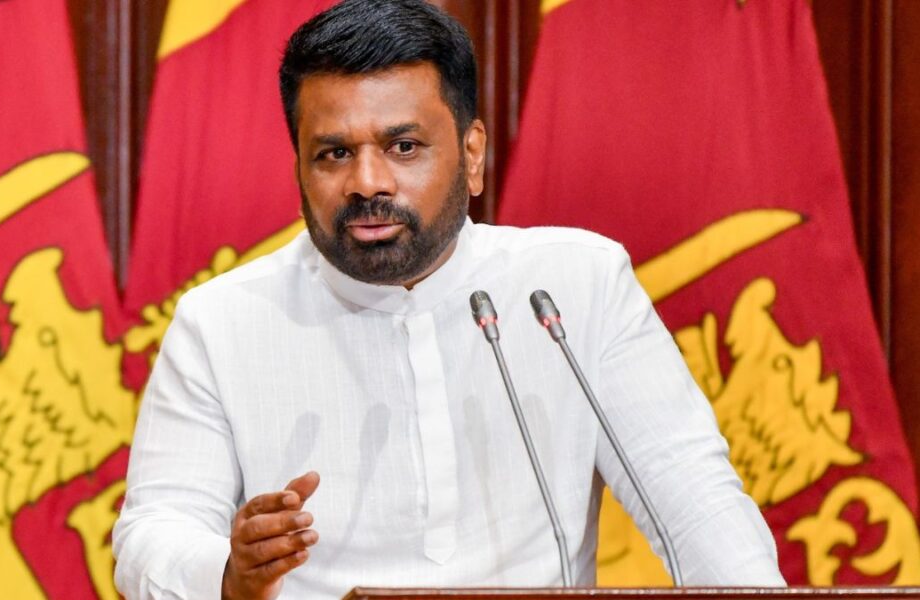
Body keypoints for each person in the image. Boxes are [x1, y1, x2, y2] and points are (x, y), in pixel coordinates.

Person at [113, 0, 786, 598]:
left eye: (403, 146)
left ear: (471, 154)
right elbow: (153, 532)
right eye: (333, 154)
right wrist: (229, 575)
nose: (367, 182)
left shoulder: (574, 287)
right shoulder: (222, 323)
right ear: (298, 166)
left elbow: (694, 502)